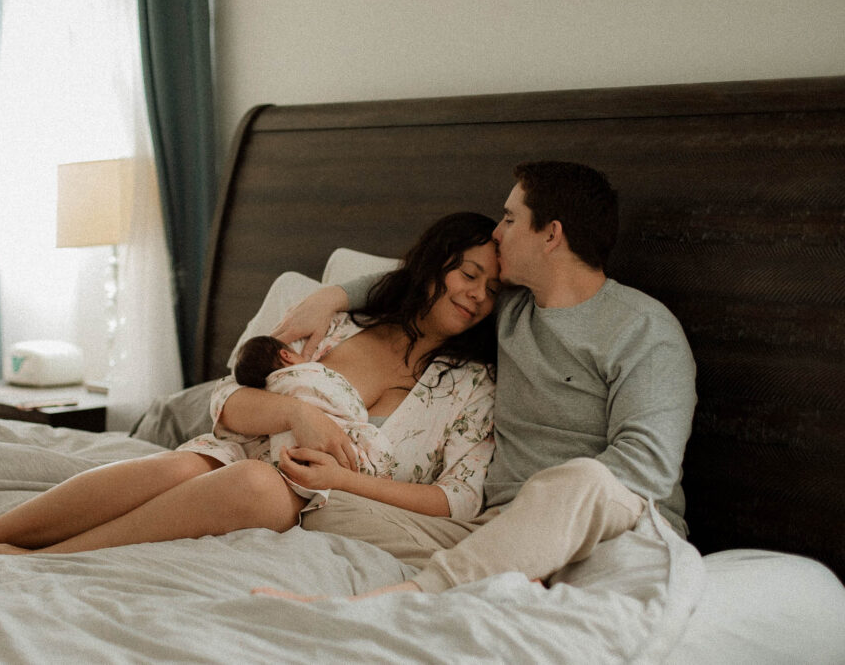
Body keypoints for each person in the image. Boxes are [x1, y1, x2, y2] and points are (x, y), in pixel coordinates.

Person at [0, 211, 502, 558]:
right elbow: (227, 402)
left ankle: (35, 560)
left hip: (325, 496)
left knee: (254, 481)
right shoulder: (332, 324)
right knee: (182, 466)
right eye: (467, 273)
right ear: (433, 264)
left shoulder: (471, 385)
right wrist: (297, 416)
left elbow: (461, 500)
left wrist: (339, 478)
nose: (476, 295)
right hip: (242, 450)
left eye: (493, 288)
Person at [254, 161, 697, 601]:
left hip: (608, 526)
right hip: (495, 528)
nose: (498, 233)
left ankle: (396, 599)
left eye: (509, 218)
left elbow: (647, 470)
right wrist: (332, 296)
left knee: (585, 478)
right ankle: (501, 576)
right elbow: (419, 280)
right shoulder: (507, 308)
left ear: (551, 234)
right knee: (322, 507)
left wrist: (540, 524)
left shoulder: (643, 329)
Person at [210, 334, 394, 479]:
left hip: (282, 460)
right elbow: (351, 405)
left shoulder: (269, 392)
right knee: (373, 444)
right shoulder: (313, 373)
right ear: (286, 355)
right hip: (333, 441)